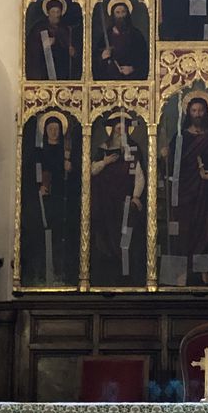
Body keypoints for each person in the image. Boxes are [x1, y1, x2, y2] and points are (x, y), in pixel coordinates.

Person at [161, 95, 208, 285]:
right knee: (185, 231)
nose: (198, 114)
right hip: (185, 191)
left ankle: (204, 271)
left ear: (206, 112)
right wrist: (165, 156)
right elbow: (171, 166)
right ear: (188, 112)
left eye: (201, 110)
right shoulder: (181, 136)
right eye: (194, 111)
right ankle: (183, 271)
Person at [21, 113, 81, 286]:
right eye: (50, 129)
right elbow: (32, 173)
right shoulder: (39, 153)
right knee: (42, 236)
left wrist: (70, 168)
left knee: (62, 237)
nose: (54, 132)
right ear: (45, 131)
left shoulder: (66, 152)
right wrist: (39, 186)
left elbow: (76, 178)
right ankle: (41, 274)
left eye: (56, 129)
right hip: (45, 199)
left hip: (63, 199)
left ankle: (62, 274)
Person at [90, 113, 146, 285]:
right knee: (105, 238)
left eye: (123, 129)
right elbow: (91, 171)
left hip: (126, 201)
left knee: (126, 237)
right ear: (112, 130)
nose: (120, 132)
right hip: (105, 202)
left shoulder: (133, 149)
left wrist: (136, 196)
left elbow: (139, 175)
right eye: (117, 128)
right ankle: (108, 276)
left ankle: (126, 274)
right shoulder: (103, 148)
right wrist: (105, 162)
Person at [26, 0, 80, 80]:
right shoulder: (39, 28)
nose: (56, 15)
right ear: (48, 12)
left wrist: (73, 53)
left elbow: (71, 50)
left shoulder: (65, 29)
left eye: (58, 12)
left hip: (61, 72)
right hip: (43, 71)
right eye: (53, 12)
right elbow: (31, 49)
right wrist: (42, 45)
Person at [93, 0, 148, 81]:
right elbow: (95, 60)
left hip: (130, 78)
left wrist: (132, 68)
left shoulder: (136, 34)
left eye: (123, 12)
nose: (121, 16)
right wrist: (102, 57)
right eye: (117, 12)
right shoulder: (106, 35)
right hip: (110, 78)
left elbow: (144, 59)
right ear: (113, 15)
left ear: (127, 13)